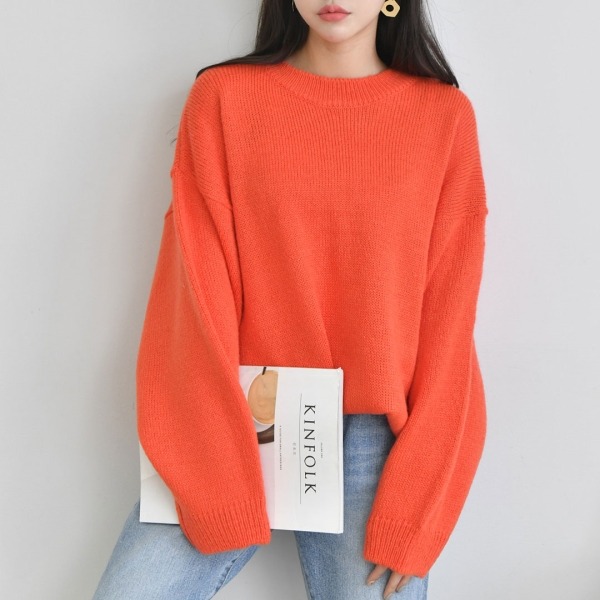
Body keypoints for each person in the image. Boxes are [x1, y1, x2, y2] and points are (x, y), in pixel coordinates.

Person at [93, 0, 489, 598]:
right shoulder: (223, 99)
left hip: (372, 434)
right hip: (233, 412)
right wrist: (214, 478)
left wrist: (420, 507)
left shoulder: (443, 118)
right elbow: (191, 290)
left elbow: (450, 321)